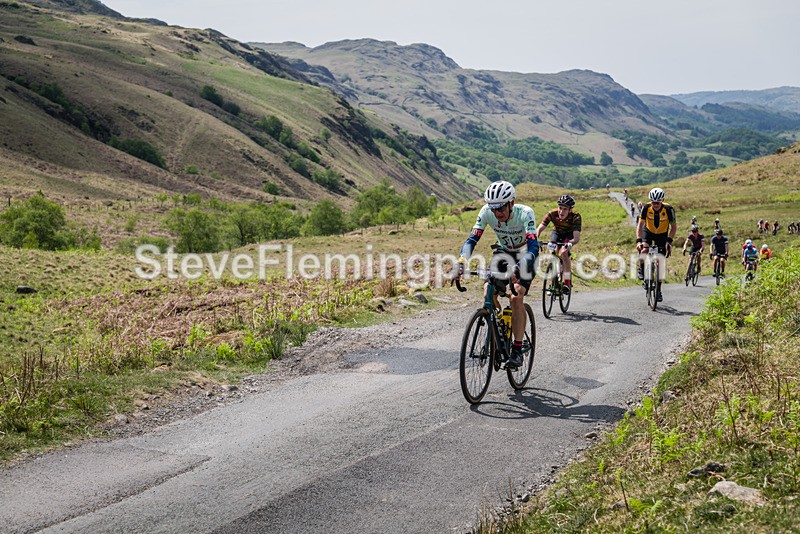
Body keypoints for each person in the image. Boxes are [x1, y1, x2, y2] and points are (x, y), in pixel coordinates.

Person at [457, 181, 539, 368]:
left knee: (516, 295)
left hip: (526, 254)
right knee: (488, 290)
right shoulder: (486, 212)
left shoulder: (525, 213)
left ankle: (517, 349)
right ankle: (499, 329)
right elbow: (472, 239)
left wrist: (519, 267)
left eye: (500, 207)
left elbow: (534, 246)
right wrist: (461, 262)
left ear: (511, 203)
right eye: (493, 208)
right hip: (503, 252)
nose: (497, 213)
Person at [636, 187, 677, 302]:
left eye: (658, 203)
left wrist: (669, 241)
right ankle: (642, 269)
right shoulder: (646, 208)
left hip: (662, 235)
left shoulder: (669, 209)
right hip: (648, 232)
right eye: (653, 202)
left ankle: (658, 290)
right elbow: (640, 226)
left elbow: (673, 227)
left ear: (662, 200)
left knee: (660, 262)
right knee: (644, 250)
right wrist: (639, 241)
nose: (656, 205)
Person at [535, 194, 581, 295]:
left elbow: (576, 237)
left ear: (570, 210)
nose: (561, 211)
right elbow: (540, 228)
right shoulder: (552, 213)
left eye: (565, 209)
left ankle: (567, 283)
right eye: (560, 208)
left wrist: (570, 243)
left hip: (569, 235)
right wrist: (535, 238)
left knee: (564, 253)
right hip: (557, 233)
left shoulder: (575, 216)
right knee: (552, 252)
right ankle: (553, 283)